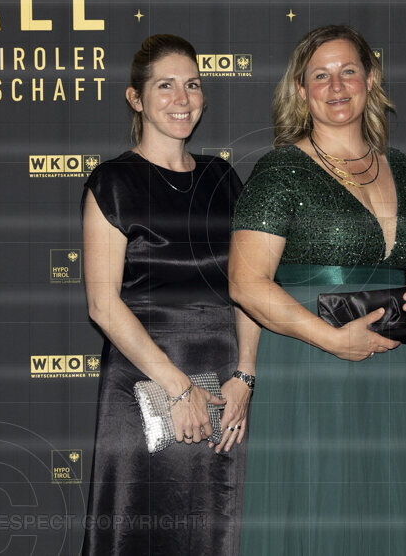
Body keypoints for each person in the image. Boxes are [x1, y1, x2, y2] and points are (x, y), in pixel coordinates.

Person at [229, 25, 406, 554]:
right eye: (320, 76)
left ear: (371, 80)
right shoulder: (281, 170)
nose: (337, 86)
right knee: (318, 508)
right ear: (301, 90)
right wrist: (333, 340)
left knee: (390, 508)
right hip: (312, 363)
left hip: (392, 371)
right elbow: (246, 283)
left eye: (348, 71)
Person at [80, 34, 259, 555]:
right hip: (144, 385)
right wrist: (178, 390)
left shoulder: (223, 178)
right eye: (165, 86)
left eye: (193, 85)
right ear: (136, 98)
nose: (182, 99)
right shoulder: (113, 183)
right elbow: (103, 305)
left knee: (211, 531)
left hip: (225, 391)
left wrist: (245, 376)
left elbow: (249, 285)